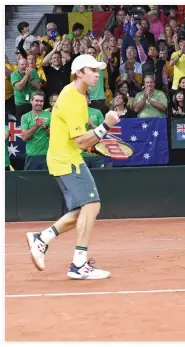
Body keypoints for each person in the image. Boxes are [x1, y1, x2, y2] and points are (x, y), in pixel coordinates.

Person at [25, 54, 121, 280]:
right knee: (92, 205)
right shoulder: (71, 97)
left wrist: (91, 140)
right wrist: (106, 125)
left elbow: (77, 139)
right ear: (79, 72)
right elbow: (80, 141)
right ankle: (79, 264)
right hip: (65, 160)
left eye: (98, 71)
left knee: (82, 210)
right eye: (92, 70)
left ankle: (42, 238)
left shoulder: (78, 95)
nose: (97, 74)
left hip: (69, 158)